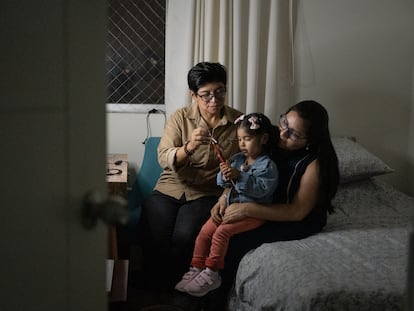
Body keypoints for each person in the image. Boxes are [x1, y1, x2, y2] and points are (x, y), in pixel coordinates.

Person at [201, 100, 340, 311]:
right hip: (261, 203)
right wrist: (224, 197)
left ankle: (215, 305)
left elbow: (297, 211)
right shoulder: (268, 138)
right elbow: (241, 170)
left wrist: (246, 209)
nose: (283, 134)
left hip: (296, 219)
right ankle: (203, 294)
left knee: (233, 241)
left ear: (310, 140)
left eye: (294, 134)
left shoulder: (314, 163)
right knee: (211, 227)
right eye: (284, 123)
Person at [139, 62, 243, 289]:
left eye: (220, 92)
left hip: (207, 192)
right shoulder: (180, 118)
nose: (214, 100)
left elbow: (246, 164)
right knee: (156, 232)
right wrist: (189, 147)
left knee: (184, 237)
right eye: (205, 95)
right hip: (171, 186)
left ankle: (179, 289)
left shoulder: (238, 122)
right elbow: (163, 156)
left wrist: (226, 194)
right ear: (193, 95)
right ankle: (154, 286)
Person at [175, 113, 279, 297]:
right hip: (230, 207)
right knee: (204, 233)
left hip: (253, 214)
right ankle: (196, 267)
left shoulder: (267, 166)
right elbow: (224, 185)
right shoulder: (238, 159)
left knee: (222, 233)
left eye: (247, 139)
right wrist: (224, 175)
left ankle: (212, 273)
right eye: (240, 139)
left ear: (263, 139)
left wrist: (239, 176)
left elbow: (262, 190)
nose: (242, 144)